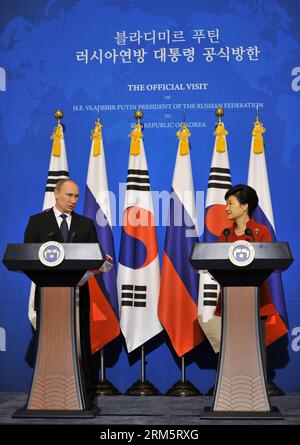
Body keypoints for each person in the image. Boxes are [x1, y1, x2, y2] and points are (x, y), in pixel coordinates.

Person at [24, 178, 99, 391]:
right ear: (56, 194)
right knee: (51, 342)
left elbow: (94, 256)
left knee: (79, 342)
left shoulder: (86, 224)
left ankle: (82, 391)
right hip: (49, 296)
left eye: (76, 196)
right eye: (69, 195)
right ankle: (47, 389)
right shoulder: (38, 222)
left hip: (78, 297)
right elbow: (28, 254)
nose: (73, 200)